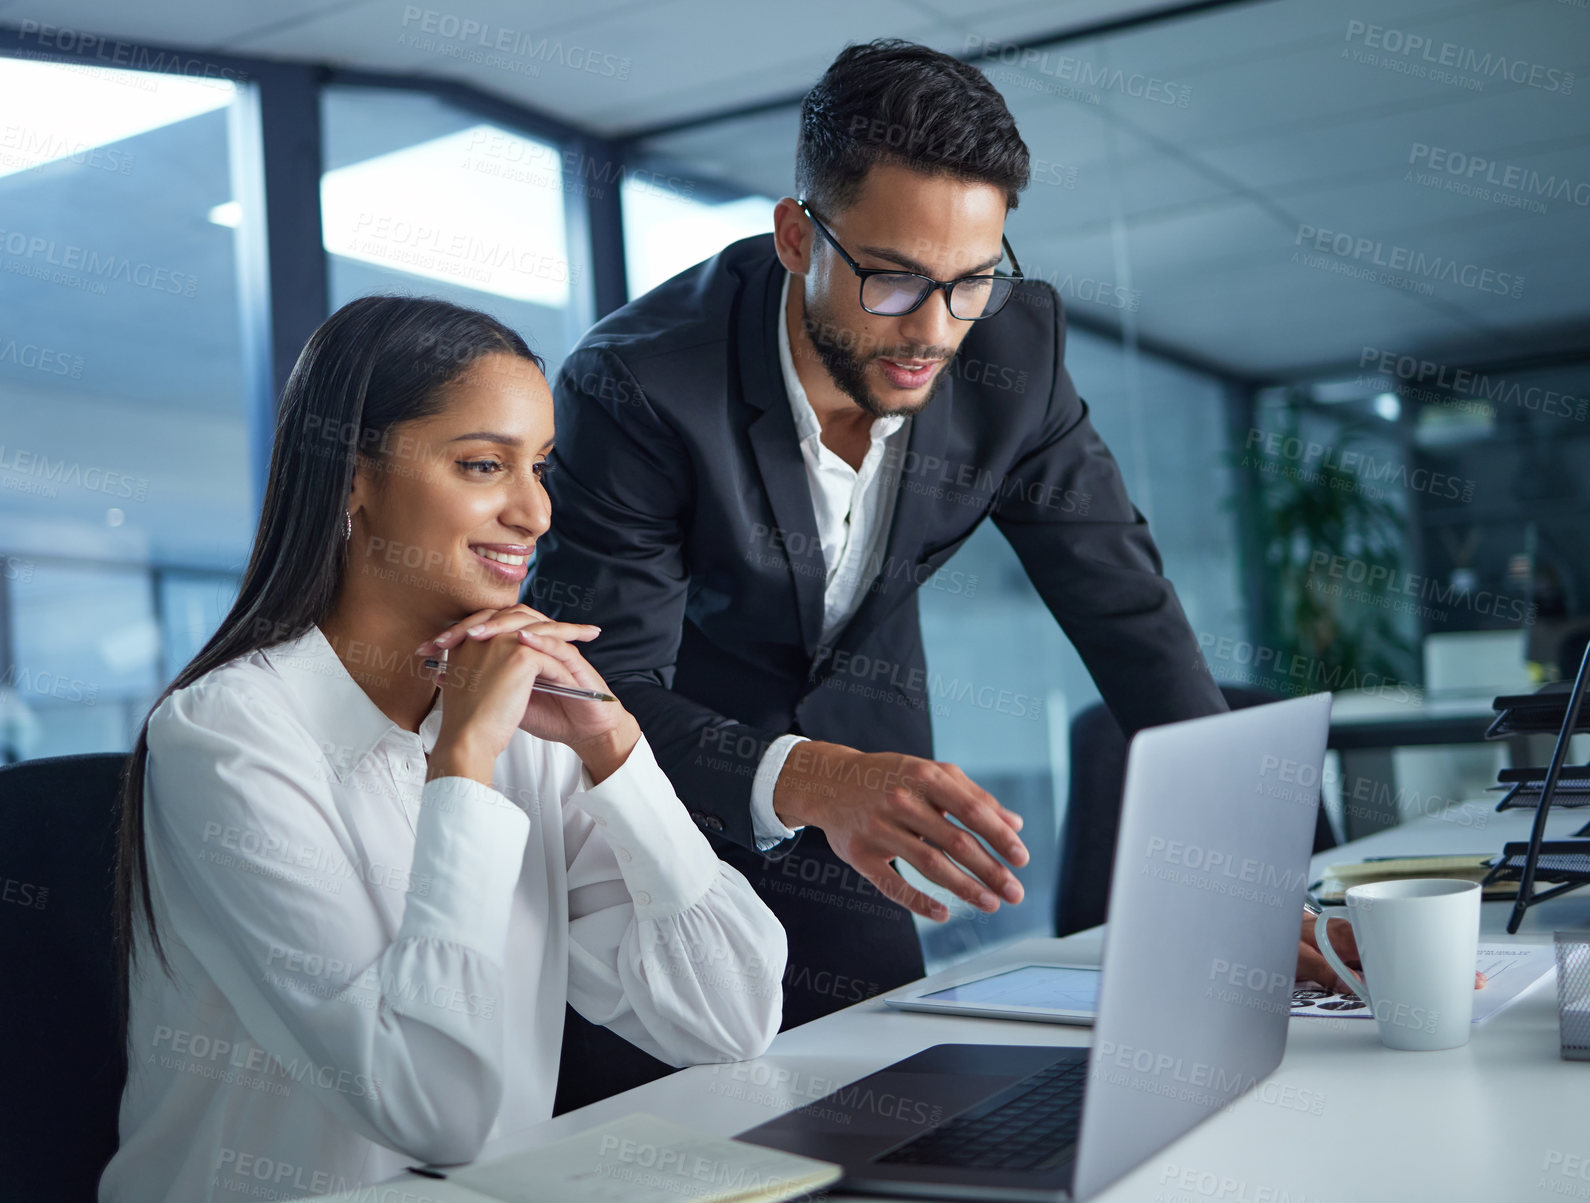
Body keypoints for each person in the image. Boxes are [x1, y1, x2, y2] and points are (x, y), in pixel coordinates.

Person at [505, 34, 1229, 1055]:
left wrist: (1240, 886)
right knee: (670, 1138)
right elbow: (594, 687)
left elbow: (1127, 613)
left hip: (865, 818)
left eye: (971, 280)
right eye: (890, 281)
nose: (932, 329)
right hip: (661, 825)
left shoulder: (1010, 358)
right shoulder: (637, 386)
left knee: (890, 1102)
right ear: (797, 237)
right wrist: (810, 776)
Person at [103, 296, 786, 1202]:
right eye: (481, 465)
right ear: (352, 476)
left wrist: (619, 751)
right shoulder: (226, 735)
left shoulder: (528, 720)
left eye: (540, 467)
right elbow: (432, 1112)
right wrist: (461, 763)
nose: (535, 511)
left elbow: (730, 1018)